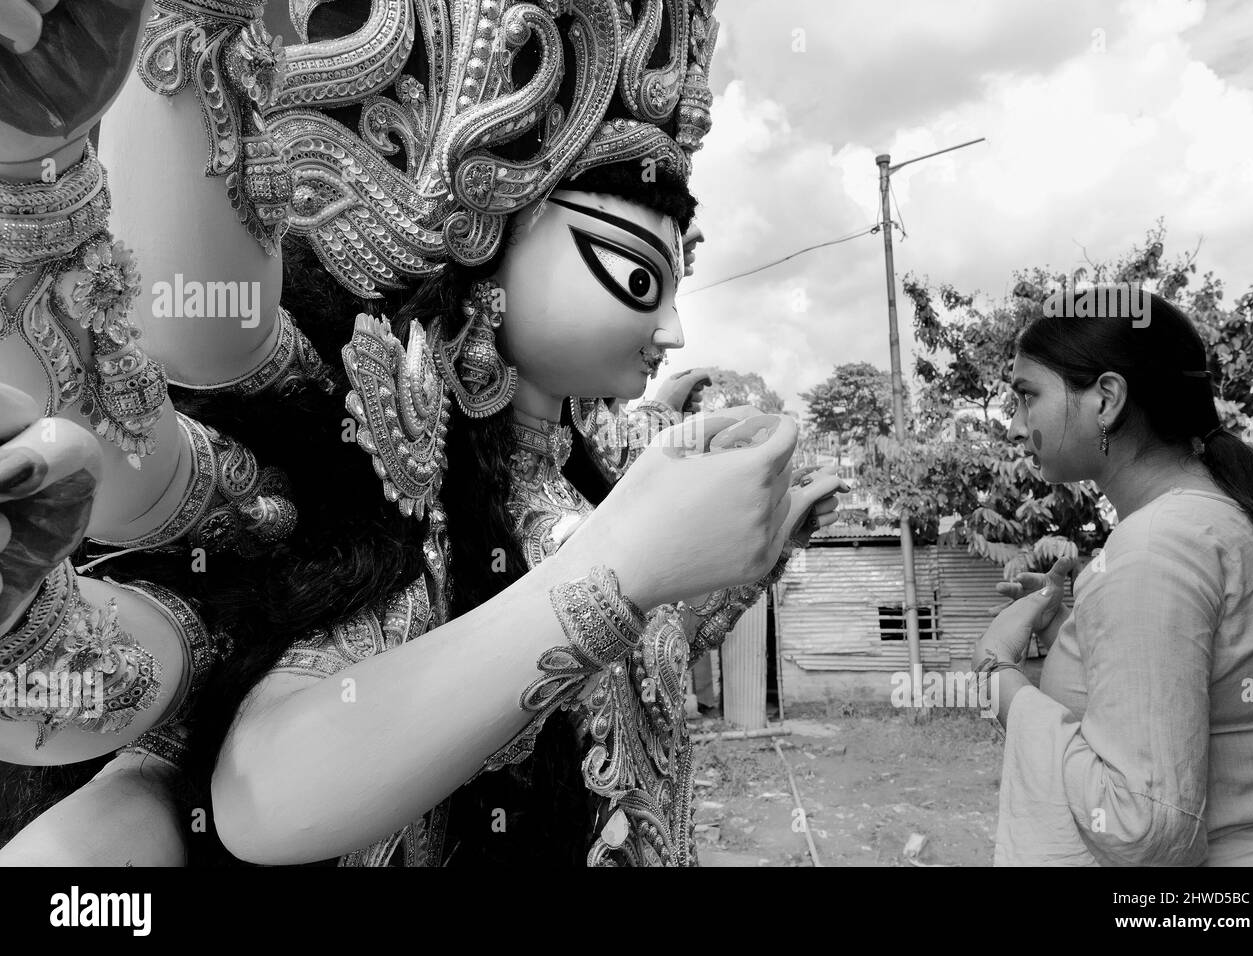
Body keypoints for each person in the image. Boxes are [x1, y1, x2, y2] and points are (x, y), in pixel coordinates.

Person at [0, 0, 845, 866]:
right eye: (636, 277)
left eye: (676, 282)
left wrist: (725, 570)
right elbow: (261, 792)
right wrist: (617, 570)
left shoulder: (593, 477)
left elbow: (631, 675)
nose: (672, 330)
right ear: (485, 232)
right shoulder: (410, 475)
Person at [973, 287, 1253, 866]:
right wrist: (1073, 636)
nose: (1018, 427)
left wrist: (997, 677)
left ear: (1107, 399)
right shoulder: (1207, 516)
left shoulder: (1156, 546)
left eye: (1028, 397)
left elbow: (1144, 825)